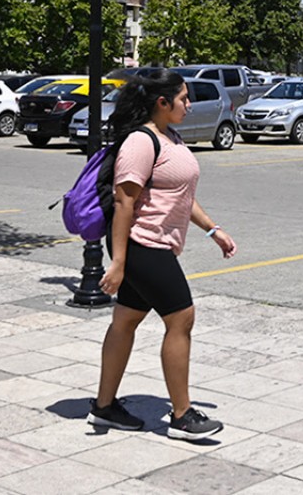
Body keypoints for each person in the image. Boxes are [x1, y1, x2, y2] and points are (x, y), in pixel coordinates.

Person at [89, 69, 237, 439]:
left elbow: (181, 196)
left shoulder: (170, 137)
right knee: (181, 317)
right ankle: (182, 416)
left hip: (151, 243)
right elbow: (125, 201)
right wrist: (119, 262)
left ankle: (104, 407)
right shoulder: (141, 142)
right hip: (142, 244)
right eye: (184, 98)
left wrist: (213, 230)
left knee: (125, 321)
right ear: (162, 102)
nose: (189, 104)